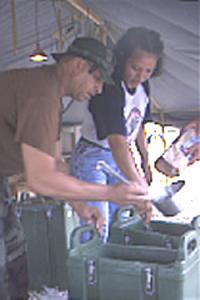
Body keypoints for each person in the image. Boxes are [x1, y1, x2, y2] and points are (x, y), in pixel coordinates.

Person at [0, 37, 151, 299]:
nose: (99, 88)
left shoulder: (51, 95)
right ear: (79, 65)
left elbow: (55, 164)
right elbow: (39, 179)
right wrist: (110, 193)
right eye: (97, 79)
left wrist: (80, 205)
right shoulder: (41, 96)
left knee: (14, 251)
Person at [69, 27, 164, 241]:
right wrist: (140, 190)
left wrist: (145, 162)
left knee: (117, 222)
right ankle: (90, 271)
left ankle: (108, 270)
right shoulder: (109, 88)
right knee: (96, 227)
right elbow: (117, 141)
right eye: (135, 68)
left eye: (148, 70)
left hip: (118, 157)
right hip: (93, 157)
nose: (140, 76)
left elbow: (137, 125)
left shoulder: (143, 88)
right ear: (122, 59)